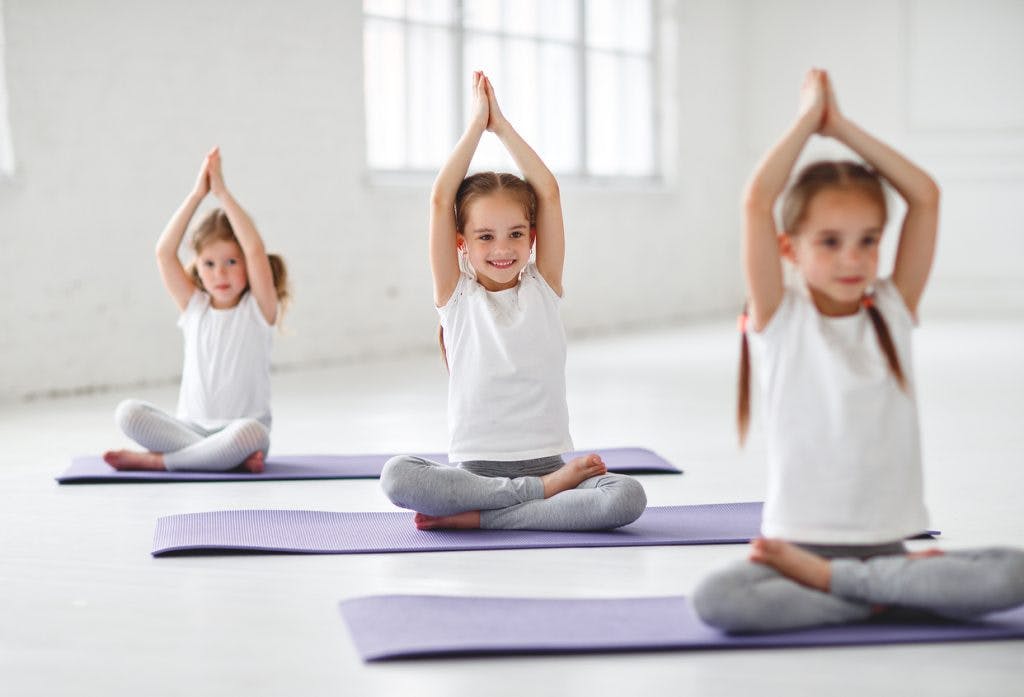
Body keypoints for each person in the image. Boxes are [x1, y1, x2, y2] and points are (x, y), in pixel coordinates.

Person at [693, 69, 1024, 633]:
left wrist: (842, 128)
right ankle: (887, 597)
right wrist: (808, 123)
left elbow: (925, 196)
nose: (854, 258)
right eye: (830, 241)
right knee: (718, 599)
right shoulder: (780, 320)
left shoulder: (891, 313)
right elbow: (758, 200)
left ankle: (846, 591)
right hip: (799, 549)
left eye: (869, 240)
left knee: (1013, 574)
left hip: (886, 548)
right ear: (788, 248)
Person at [380, 71, 646, 531]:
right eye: (485, 236)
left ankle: (482, 518)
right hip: (478, 474)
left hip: (549, 465)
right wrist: (475, 127)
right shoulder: (456, 296)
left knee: (626, 497)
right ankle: (526, 503)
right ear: (461, 242)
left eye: (516, 234)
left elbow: (549, 192)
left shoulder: (544, 286)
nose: (502, 249)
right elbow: (442, 198)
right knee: (396, 476)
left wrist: (501, 128)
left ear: (533, 237)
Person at [103, 147, 289, 473]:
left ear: (247, 264)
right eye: (210, 263)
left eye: (232, 262)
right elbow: (164, 252)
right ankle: (220, 458)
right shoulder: (195, 307)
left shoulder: (258, 309)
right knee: (128, 413)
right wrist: (197, 194)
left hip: (242, 430)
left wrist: (222, 193)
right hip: (187, 428)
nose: (220, 273)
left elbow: (256, 248)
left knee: (249, 433)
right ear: (198, 268)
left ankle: (160, 462)